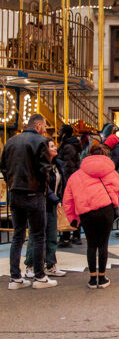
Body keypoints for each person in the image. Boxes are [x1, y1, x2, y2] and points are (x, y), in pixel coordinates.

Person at [1, 114, 56, 289]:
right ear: (38, 125)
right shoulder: (40, 141)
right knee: (38, 235)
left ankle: (15, 277)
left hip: (15, 192)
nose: (46, 129)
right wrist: (44, 185)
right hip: (34, 193)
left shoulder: (10, 142)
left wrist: (12, 182)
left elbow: (3, 167)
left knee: (17, 235)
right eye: (45, 126)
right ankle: (39, 276)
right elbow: (43, 168)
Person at [63, 144, 119, 289]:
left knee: (91, 244)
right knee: (103, 244)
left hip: (86, 212)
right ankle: (102, 278)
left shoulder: (77, 175)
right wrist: (115, 202)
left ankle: (92, 278)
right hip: (106, 210)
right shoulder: (112, 173)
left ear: (89, 155)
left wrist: (72, 216)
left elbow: (68, 197)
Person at [24, 139, 67, 279]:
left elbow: (61, 184)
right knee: (36, 236)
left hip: (53, 204)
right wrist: (55, 198)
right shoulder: (40, 166)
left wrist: (60, 198)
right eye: (51, 146)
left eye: (55, 145)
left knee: (52, 236)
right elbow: (43, 185)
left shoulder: (57, 166)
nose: (55, 148)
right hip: (40, 203)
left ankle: (50, 264)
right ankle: (30, 265)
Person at [57, 124, 83, 247]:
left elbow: (67, 167)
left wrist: (66, 184)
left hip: (69, 182)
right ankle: (74, 234)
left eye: (60, 131)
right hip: (73, 180)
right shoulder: (71, 145)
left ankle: (69, 234)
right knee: (74, 208)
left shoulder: (67, 147)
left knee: (69, 207)